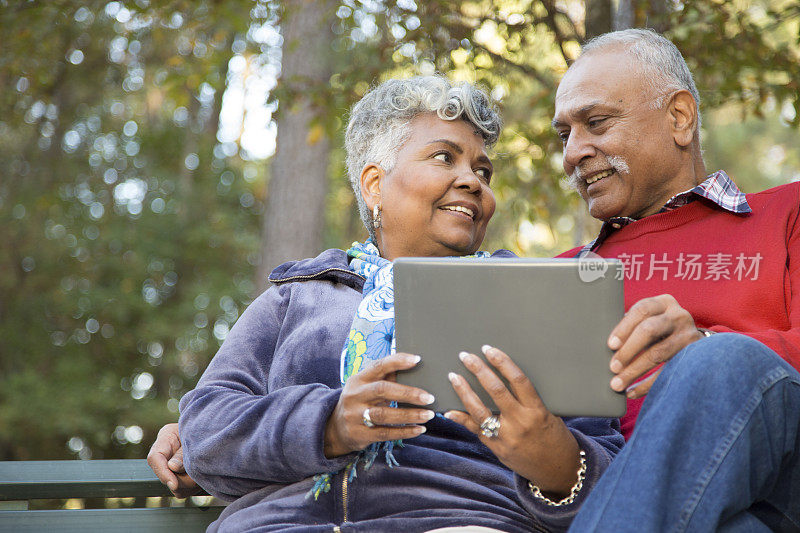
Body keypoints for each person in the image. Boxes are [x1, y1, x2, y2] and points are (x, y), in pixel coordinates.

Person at [163, 76, 624, 532]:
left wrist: (552, 456)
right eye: (444, 157)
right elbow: (205, 432)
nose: (473, 181)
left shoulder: (533, 298)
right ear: (374, 185)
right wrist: (330, 424)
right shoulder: (297, 295)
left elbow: (612, 475)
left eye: (483, 171)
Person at [550, 29, 800, 530]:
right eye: (564, 135)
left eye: (595, 123)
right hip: (655, 505)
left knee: (722, 361)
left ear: (679, 118)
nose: (573, 153)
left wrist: (703, 346)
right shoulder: (558, 276)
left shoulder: (788, 213)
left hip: (783, 472)